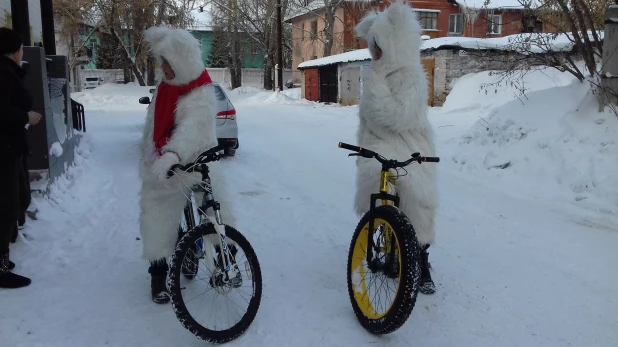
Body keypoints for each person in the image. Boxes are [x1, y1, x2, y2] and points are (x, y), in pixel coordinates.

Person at [138, 26, 236, 303]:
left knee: (216, 209)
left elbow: (194, 128)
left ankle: (226, 255)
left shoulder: (200, 90)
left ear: (181, 62)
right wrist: (154, 155)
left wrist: (173, 154)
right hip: (163, 164)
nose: (164, 68)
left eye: (168, 63)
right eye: (162, 63)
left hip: (198, 161)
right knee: (155, 213)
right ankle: (158, 274)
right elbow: (153, 126)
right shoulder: (165, 88)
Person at [353, 0, 438, 294]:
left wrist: (374, 86)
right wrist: (362, 146)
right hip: (378, 147)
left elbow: (399, 116)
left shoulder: (411, 75)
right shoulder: (376, 72)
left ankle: (421, 257)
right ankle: (387, 243)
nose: (374, 51)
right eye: (372, 45)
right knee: (377, 188)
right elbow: (366, 121)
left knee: (417, 200)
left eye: (378, 45)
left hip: (410, 149)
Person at [0, 27, 42, 289]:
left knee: (13, 202)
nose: (23, 52)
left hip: (8, 149)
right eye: (21, 48)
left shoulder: (6, 71)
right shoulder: (2, 74)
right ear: (14, 50)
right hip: (4, 150)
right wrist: (26, 117)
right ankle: (1, 269)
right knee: (6, 207)